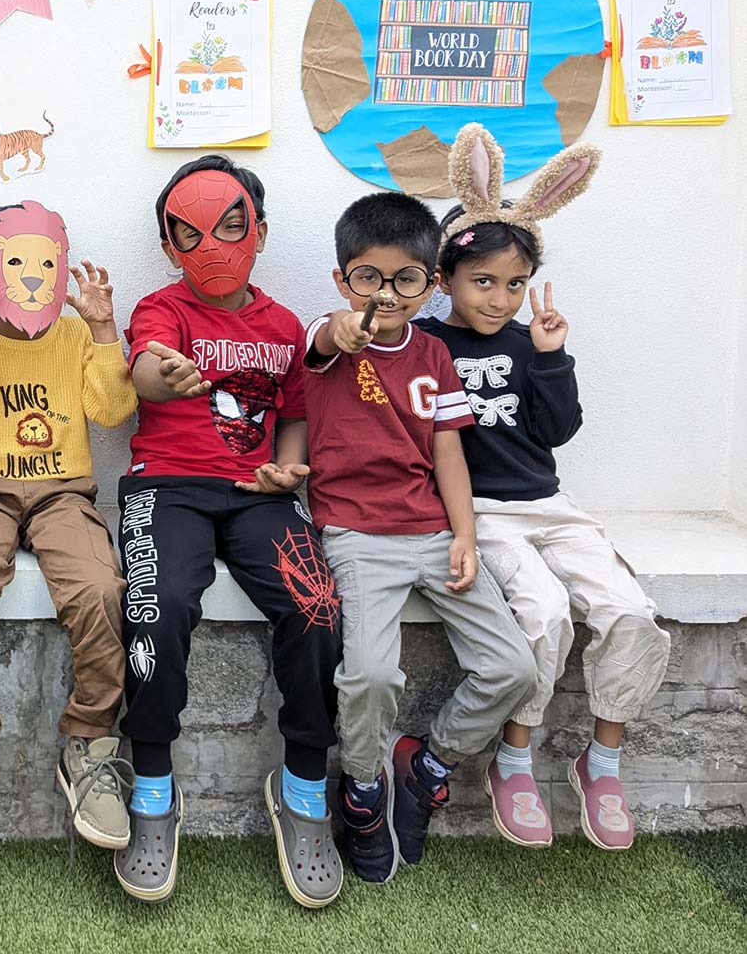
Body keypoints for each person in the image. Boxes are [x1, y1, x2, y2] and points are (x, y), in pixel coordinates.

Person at [419, 124, 667, 852]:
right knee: (545, 612)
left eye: (515, 284)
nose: (500, 299)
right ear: (444, 279)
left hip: (549, 507)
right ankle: (515, 758)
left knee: (629, 611)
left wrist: (552, 356)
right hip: (483, 513)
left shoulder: (530, 346)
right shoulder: (427, 347)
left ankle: (602, 761)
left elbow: (557, 432)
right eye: (483, 281)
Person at [110, 156, 343, 909]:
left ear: (259, 232)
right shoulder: (160, 309)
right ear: (169, 244)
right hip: (165, 488)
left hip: (256, 494)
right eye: (190, 233)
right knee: (158, 608)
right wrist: (165, 375)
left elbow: (296, 413)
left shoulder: (283, 326)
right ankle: (152, 785)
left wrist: (288, 468)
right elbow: (145, 369)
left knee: (315, 608)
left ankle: (303, 787)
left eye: (231, 227)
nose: (212, 246)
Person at [308, 190, 536, 885]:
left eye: (404, 279)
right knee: (370, 674)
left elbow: (447, 451)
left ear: (429, 282)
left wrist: (464, 534)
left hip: (433, 531)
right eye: (368, 278)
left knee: (513, 667)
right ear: (342, 279)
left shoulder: (433, 353)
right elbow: (325, 339)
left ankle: (427, 763)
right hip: (356, 534)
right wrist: (344, 329)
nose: (385, 294)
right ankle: (362, 788)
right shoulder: (327, 338)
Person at [0, 201, 136, 849]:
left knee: (100, 589)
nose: (33, 276)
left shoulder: (74, 336)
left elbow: (112, 410)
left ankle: (90, 747)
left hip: (62, 492)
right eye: (15, 262)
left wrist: (103, 329)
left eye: (45, 261)